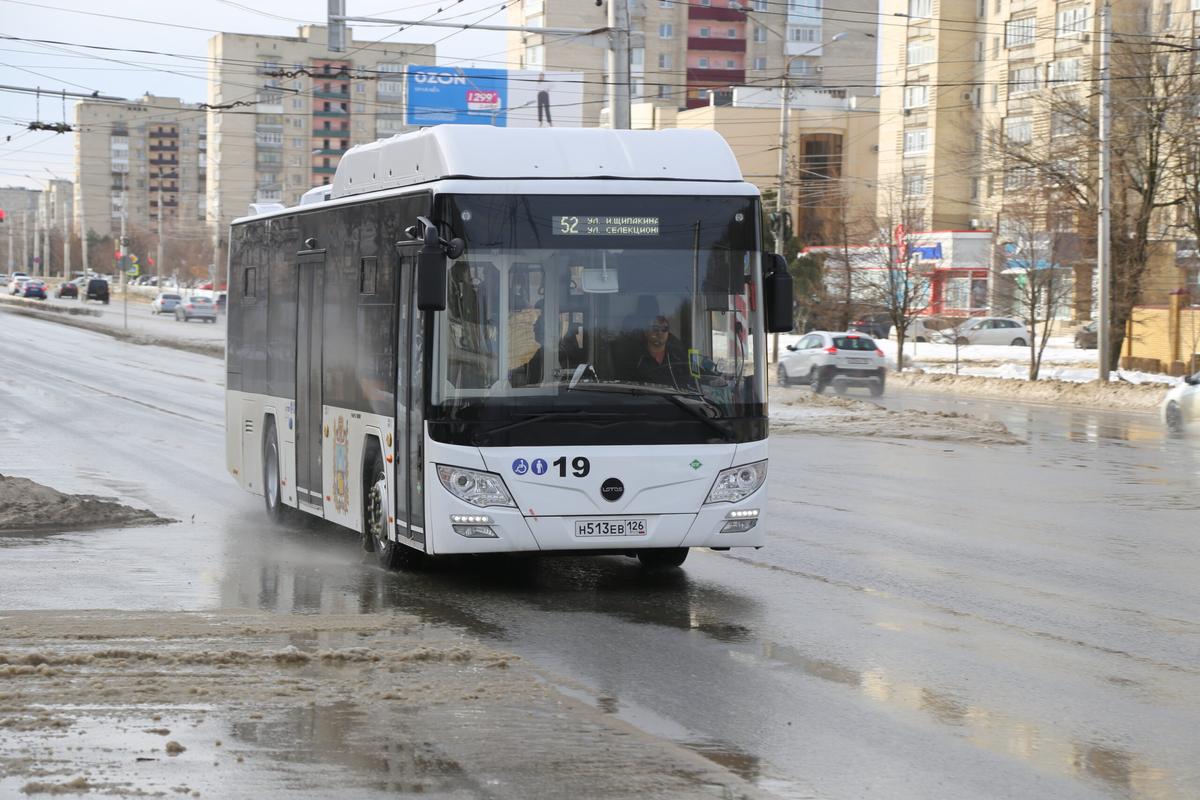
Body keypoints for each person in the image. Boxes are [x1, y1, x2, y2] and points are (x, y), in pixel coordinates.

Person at [629, 315, 697, 391]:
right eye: (655, 328)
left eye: (664, 329)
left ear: (668, 332)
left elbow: (695, 383)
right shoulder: (635, 359)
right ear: (646, 332)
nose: (660, 332)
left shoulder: (679, 358)